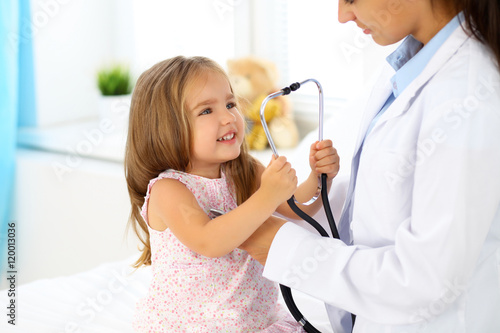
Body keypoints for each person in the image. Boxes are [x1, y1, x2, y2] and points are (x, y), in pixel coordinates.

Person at [240, 0, 500, 332]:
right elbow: (389, 200)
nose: (342, 15)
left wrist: (285, 249)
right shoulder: (409, 64)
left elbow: (425, 280)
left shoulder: (465, 94)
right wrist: (291, 206)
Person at [124, 55, 339, 332]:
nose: (228, 117)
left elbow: (298, 206)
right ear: (166, 129)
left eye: (229, 104)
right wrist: (267, 196)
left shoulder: (243, 170)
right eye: (206, 111)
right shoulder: (169, 190)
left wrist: (319, 176)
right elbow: (210, 241)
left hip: (256, 323)